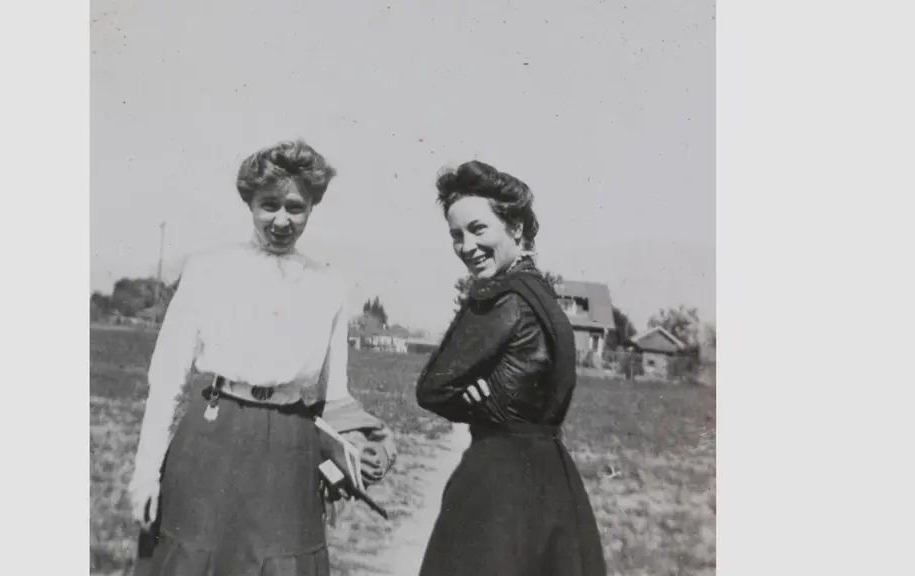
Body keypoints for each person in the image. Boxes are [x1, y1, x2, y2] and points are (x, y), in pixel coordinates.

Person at [127, 139, 397, 576]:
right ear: (250, 203)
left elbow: (335, 395)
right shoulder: (208, 269)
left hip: (290, 449)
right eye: (269, 205)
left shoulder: (328, 285)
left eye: (296, 207)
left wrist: (357, 449)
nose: (281, 220)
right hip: (213, 437)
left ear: (312, 207)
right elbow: (166, 380)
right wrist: (145, 474)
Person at [415, 160, 607, 575]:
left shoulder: (500, 299)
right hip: (553, 485)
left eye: (478, 229)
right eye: (456, 235)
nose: (467, 246)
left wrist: (477, 403)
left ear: (516, 227)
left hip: (497, 488)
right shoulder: (543, 295)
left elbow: (430, 388)